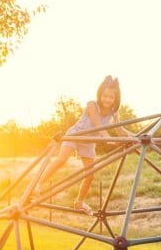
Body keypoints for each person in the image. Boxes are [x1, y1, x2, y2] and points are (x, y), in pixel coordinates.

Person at [36, 76, 131, 215]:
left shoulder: (113, 111)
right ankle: (37, 185)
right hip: (76, 135)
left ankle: (79, 202)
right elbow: (98, 126)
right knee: (61, 160)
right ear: (100, 94)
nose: (107, 99)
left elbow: (120, 129)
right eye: (105, 96)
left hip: (89, 141)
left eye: (111, 97)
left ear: (115, 98)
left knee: (90, 175)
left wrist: (135, 137)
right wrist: (109, 140)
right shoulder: (92, 105)